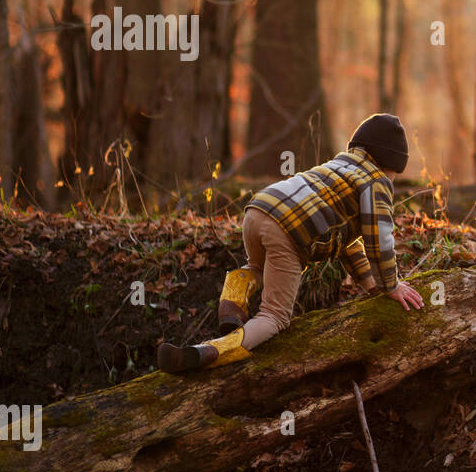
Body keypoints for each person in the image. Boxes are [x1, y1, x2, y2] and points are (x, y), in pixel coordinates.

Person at [158, 113, 424, 373]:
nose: (393, 180)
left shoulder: (339, 166)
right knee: (274, 317)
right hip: (290, 230)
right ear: (389, 164)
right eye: (394, 174)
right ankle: (209, 351)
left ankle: (235, 292)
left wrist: (372, 287)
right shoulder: (376, 182)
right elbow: (379, 239)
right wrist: (391, 285)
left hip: (258, 209)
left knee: (259, 270)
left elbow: (348, 242)